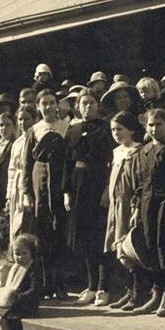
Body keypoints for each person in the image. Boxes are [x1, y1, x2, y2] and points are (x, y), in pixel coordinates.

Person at [64, 90, 113, 305]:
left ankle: (104, 287)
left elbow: (112, 162)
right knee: (84, 239)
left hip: (98, 184)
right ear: (78, 106)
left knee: (100, 238)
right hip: (77, 188)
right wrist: (66, 192)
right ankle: (91, 286)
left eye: (91, 102)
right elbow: (67, 163)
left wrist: (106, 191)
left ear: (97, 105)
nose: (87, 106)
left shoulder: (105, 129)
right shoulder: (72, 130)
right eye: (83, 103)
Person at [129, 108, 165, 316]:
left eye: (159, 125)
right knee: (148, 246)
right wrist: (136, 207)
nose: (155, 129)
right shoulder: (144, 151)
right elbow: (140, 183)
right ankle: (156, 292)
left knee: (163, 246)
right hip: (147, 203)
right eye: (151, 125)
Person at [22, 90, 69, 300]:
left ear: (57, 105)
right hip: (39, 181)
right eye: (44, 103)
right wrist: (27, 193)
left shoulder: (66, 126)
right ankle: (45, 284)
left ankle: (60, 283)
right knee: (42, 234)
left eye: (52, 103)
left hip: (59, 181)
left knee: (60, 233)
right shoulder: (34, 130)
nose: (48, 107)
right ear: (39, 107)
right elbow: (26, 165)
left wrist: (65, 189)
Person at [103, 112, 146, 310]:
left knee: (130, 248)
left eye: (119, 129)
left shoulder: (137, 152)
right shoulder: (116, 152)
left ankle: (138, 292)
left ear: (131, 130)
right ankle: (128, 290)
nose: (116, 133)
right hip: (116, 205)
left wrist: (136, 206)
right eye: (113, 130)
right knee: (118, 248)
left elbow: (137, 182)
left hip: (129, 205)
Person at [6, 105, 35, 245]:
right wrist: (9, 194)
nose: (23, 122)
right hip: (16, 187)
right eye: (20, 119)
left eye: (27, 119)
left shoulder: (36, 138)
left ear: (34, 120)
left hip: (30, 183)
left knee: (28, 222)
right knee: (16, 222)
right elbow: (11, 170)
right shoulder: (16, 143)